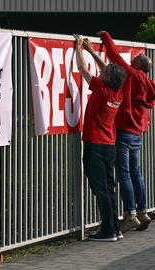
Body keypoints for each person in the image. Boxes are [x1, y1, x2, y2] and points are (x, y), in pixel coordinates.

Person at [98, 31, 155, 232]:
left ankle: (130, 214)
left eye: (137, 58)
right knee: (136, 172)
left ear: (139, 65)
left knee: (124, 173)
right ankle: (142, 211)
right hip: (137, 132)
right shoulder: (149, 83)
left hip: (123, 131)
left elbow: (114, 56)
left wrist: (105, 36)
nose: (134, 57)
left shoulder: (130, 74)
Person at [74, 34, 127, 241]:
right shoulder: (117, 93)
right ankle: (115, 227)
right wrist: (92, 51)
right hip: (109, 145)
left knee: (100, 188)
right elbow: (108, 70)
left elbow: (82, 70)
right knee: (110, 187)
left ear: (107, 79)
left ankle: (108, 230)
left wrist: (79, 48)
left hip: (95, 145)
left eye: (105, 74)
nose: (102, 73)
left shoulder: (102, 90)